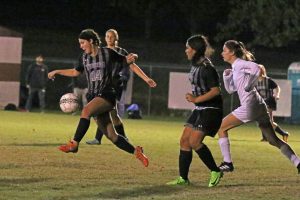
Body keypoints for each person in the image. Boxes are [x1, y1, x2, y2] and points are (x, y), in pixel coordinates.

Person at [47, 29, 149, 167]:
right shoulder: (83, 57)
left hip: (107, 94)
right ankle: (136, 152)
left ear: (91, 41)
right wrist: (57, 71)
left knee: (86, 111)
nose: (81, 46)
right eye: (80, 43)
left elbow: (125, 60)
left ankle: (74, 144)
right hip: (93, 96)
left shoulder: (107, 53)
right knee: (112, 137)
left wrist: (133, 57)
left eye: (83, 43)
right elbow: (75, 72)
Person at [218, 40, 300, 174]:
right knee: (273, 140)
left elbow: (257, 68)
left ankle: (227, 163)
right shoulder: (235, 68)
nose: (222, 53)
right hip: (260, 106)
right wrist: (226, 77)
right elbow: (230, 90)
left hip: (249, 107)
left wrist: (250, 84)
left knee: (221, 127)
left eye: (224, 50)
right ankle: (298, 162)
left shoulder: (239, 64)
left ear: (232, 52)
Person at [166, 35, 223, 187]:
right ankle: (183, 179)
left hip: (212, 109)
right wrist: (195, 98)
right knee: (184, 141)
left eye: (188, 48)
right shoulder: (195, 65)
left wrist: (196, 99)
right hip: (200, 109)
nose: (186, 51)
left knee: (194, 141)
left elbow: (216, 91)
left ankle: (215, 170)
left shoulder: (207, 68)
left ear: (195, 50)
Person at [86, 29, 156, 145]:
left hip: (114, 86)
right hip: (102, 86)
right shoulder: (101, 51)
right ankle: (121, 138)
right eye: (107, 36)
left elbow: (133, 66)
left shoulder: (121, 51)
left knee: (105, 112)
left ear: (116, 38)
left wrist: (146, 78)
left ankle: (101, 139)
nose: (109, 38)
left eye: (111, 36)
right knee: (112, 114)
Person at [255, 65, 289, 142]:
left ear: (262, 71)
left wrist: (277, 95)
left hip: (269, 101)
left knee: (269, 121)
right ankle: (268, 137)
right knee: (261, 120)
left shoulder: (268, 80)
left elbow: (277, 87)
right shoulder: (255, 81)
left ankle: (281, 134)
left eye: (259, 70)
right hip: (261, 103)